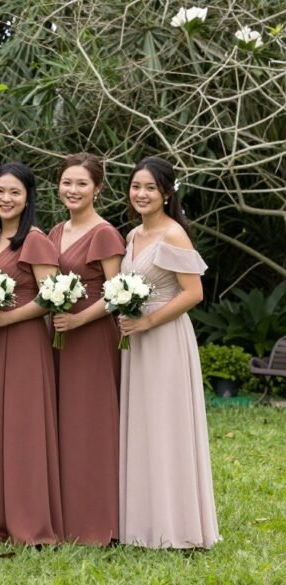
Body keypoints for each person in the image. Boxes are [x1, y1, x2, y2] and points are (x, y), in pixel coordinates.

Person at [118, 156, 219, 549]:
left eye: (150, 188)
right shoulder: (131, 236)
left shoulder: (174, 234)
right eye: (136, 186)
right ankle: (143, 522)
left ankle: (176, 525)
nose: (141, 194)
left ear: (166, 193)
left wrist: (147, 322)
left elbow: (194, 293)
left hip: (164, 339)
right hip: (135, 340)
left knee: (166, 424)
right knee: (142, 424)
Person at [0, 162, 63, 545]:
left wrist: (9, 317)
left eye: (14, 192)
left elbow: (52, 297)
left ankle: (30, 524)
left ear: (28, 197)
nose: (5, 199)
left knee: (22, 431)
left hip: (26, 342)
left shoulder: (36, 240)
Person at [47, 153, 125, 545]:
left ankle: (99, 521)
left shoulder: (105, 233)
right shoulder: (55, 232)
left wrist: (78, 320)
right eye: (66, 183)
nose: (72, 190)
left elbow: (117, 293)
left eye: (81, 184)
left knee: (91, 425)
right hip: (58, 337)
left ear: (97, 188)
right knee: (63, 423)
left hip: (91, 336)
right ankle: (66, 517)